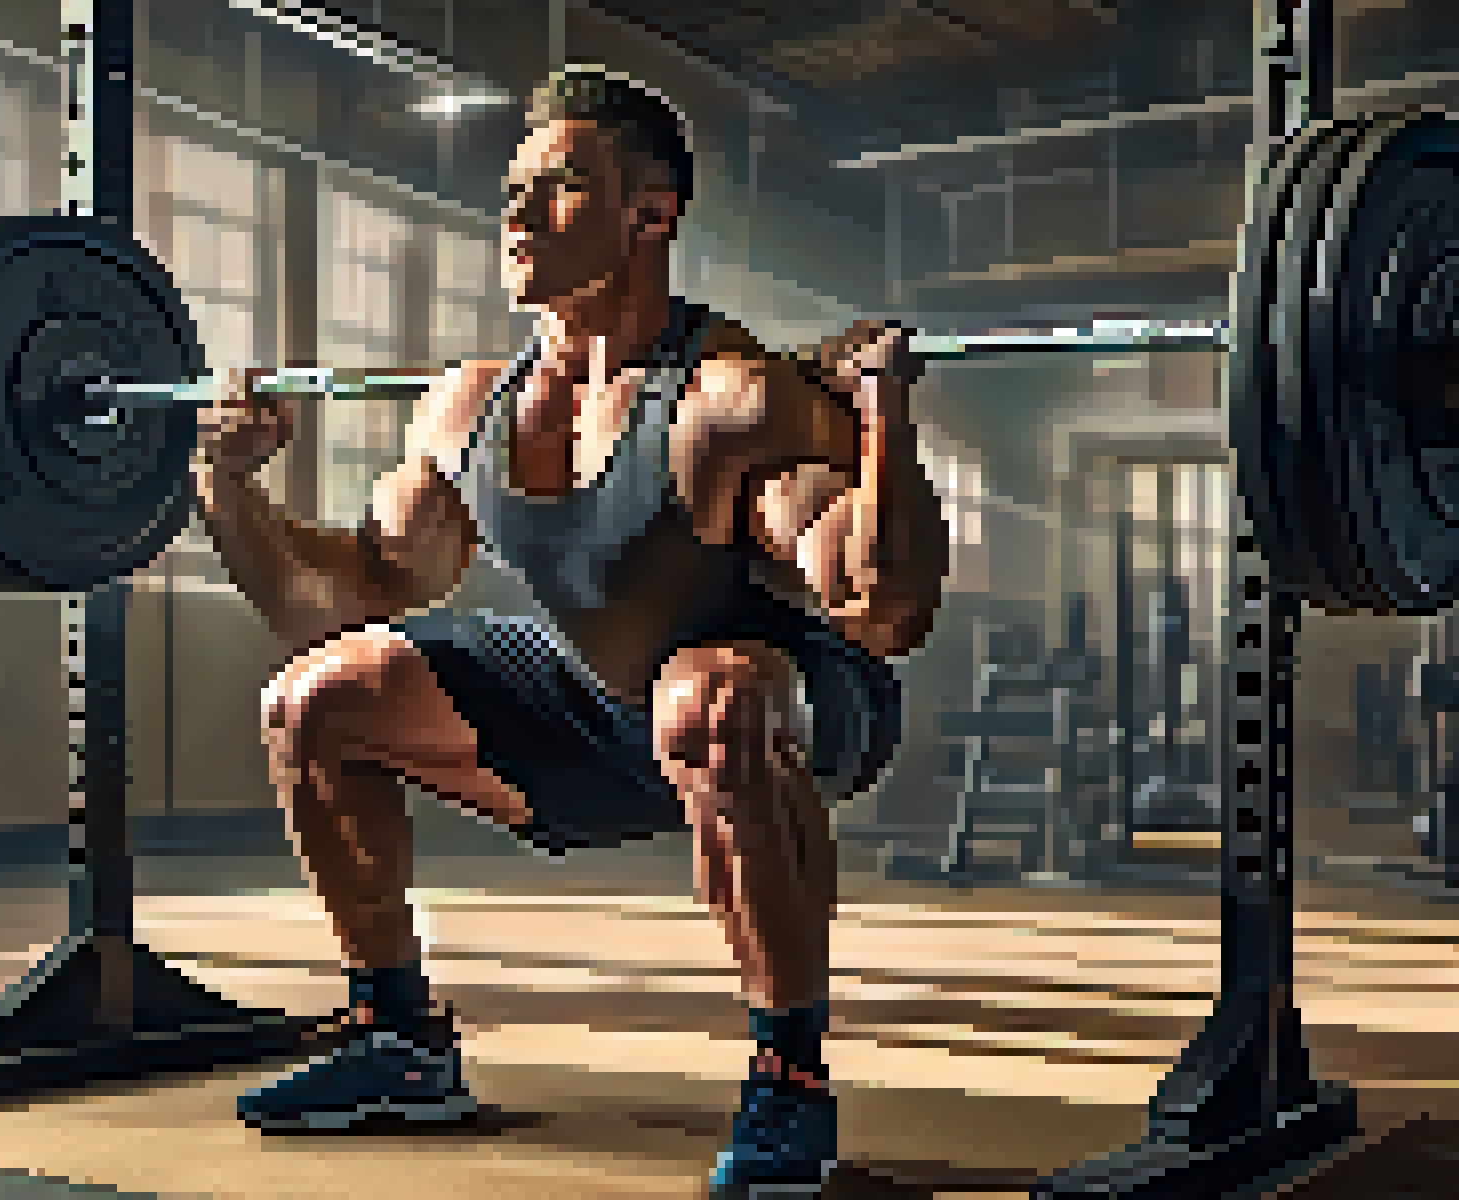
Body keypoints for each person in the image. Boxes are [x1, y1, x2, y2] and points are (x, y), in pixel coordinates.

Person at [193, 63, 950, 1199]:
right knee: (313, 699)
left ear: (652, 215)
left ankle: (790, 1075)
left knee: (712, 698)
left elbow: (882, 611)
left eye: (557, 187)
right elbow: (334, 596)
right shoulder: (470, 407)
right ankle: (396, 1042)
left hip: (793, 700)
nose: (515, 215)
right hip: (600, 703)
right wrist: (229, 487)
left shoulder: (728, 399)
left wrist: (885, 424)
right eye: (511, 190)